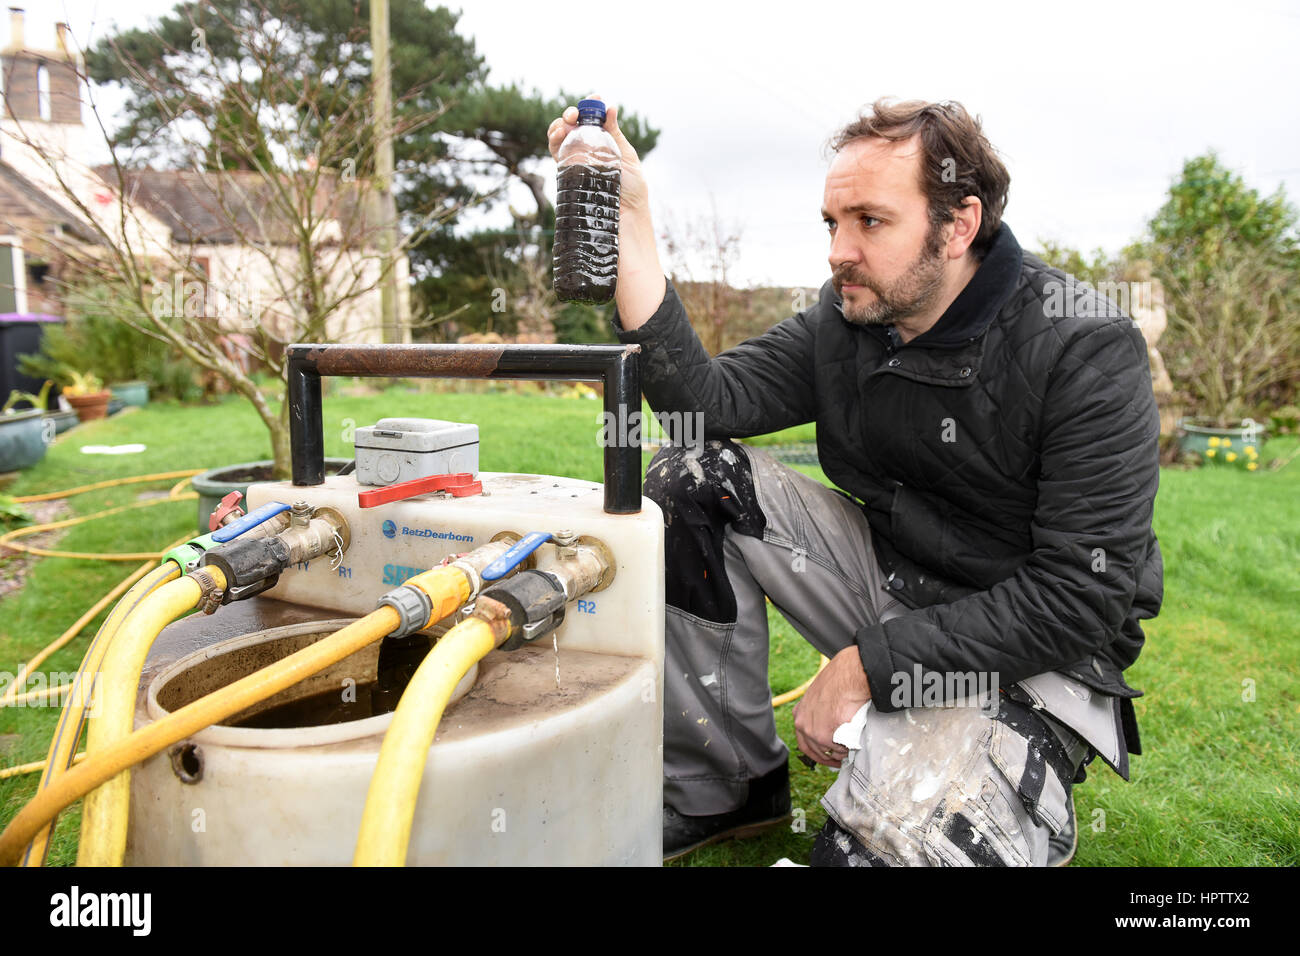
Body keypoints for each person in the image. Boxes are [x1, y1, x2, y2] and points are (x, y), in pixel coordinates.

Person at [546, 97, 1163, 867]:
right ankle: (725, 787)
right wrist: (633, 221)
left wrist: (872, 665)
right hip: (891, 582)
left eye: (870, 221)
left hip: (1040, 652)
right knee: (693, 478)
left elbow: (1081, 596)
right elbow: (701, 409)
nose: (840, 250)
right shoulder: (847, 322)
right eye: (832, 223)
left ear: (959, 224)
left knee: (869, 854)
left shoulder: (1083, 347)